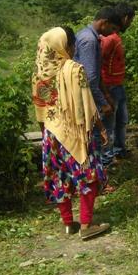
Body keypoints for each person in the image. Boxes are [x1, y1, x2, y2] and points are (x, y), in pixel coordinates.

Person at [32, 27, 110, 240]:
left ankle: (68, 223)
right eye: (72, 44)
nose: (74, 48)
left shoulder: (40, 73)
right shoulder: (75, 70)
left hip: (50, 134)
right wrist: (101, 128)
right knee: (89, 175)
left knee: (59, 177)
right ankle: (86, 225)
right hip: (74, 134)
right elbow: (87, 105)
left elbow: (40, 110)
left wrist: (46, 135)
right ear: (64, 46)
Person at [74, 7, 122, 166]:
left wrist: (106, 95)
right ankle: (97, 173)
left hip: (88, 93)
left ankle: (96, 172)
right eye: (113, 28)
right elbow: (90, 78)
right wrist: (103, 103)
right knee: (96, 135)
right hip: (86, 95)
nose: (113, 33)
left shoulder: (87, 36)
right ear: (104, 23)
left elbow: (95, 73)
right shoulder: (89, 40)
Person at [100, 3, 135, 165]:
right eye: (130, 20)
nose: (130, 24)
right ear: (125, 18)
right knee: (110, 124)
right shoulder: (110, 39)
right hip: (110, 87)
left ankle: (120, 151)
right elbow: (99, 63)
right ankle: (107, 159)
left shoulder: (115, 38)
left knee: (122, 121)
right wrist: (105, 92)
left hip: (118, 86)